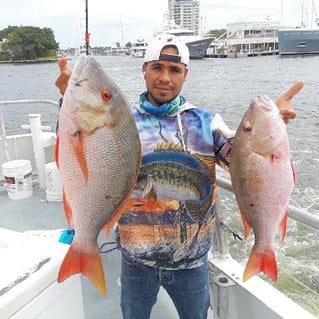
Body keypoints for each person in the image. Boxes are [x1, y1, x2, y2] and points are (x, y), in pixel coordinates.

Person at [55, 36, 304, 319]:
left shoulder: (206, 121)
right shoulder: (119, 121)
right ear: (144, 68)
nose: (165, 77)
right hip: (136, 261)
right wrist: (69, 101)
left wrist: (272, 125)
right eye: (157, 67)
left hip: (192, 263)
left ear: (186, 73)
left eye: (174, 70)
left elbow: (246, 160)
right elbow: (80, 151)